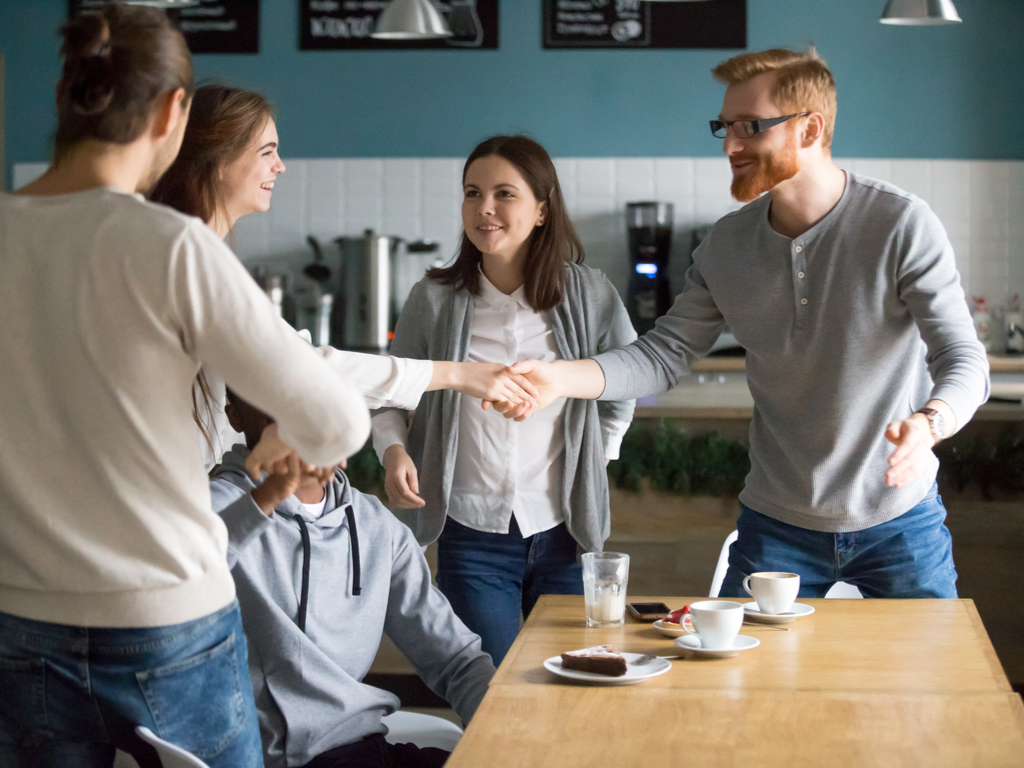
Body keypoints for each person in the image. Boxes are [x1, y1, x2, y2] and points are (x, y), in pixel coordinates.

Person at [0, 8, 364, 767]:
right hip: (169, 625)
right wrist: (280, 438)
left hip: (22, 620)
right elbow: (335, 422)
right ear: (174, 112)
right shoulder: (171, 247)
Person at [503, 49, 990, 599]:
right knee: (740, 682)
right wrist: (560, 378)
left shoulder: (900, 224)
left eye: (750, 127)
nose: (731, 146)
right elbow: (663, 356)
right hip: (777, 525)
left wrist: (929, 423)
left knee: (931, 682)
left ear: (810, 128)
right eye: (725, 127)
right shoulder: (726, 245)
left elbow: (963, 358)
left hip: (901, 519)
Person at [149, 85, 539, 471]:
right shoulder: (191, 260)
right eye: (267, 151)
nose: (280, 165)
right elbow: (304, 368)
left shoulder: (189, 252)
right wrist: (458, 374)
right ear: (219, 160)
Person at [372, 136, 636, 665]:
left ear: (542, 209)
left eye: (504, 194)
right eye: (472, 193)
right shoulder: (434, 299)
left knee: (571, 685)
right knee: (486, 689)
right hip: (472, 534)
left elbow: (624, 378)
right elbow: (389, 394)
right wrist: (393, 451)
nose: (484, 209)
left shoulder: (591, 295)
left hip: (565, 531)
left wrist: (599, 453)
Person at [209, 388, 495, 768]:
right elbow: (179, 575)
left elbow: (455, 658)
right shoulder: (211, 509)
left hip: (363, 746)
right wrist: (273, 492)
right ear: (235, 417)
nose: (290, 412)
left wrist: (510, 731)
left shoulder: (376, 526)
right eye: (264, 394)